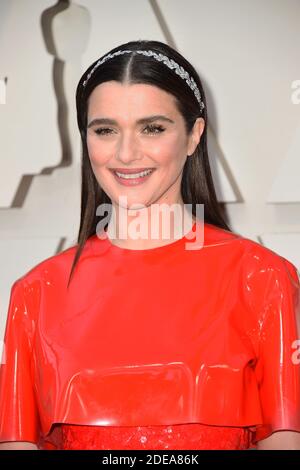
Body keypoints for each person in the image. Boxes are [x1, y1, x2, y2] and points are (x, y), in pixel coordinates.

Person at [0, 39, 300, 451]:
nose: (125, 153)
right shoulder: (35, 295)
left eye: (152, 128)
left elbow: (286, 437)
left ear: (194, 134)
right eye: (105, 130)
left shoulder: (262, 277)